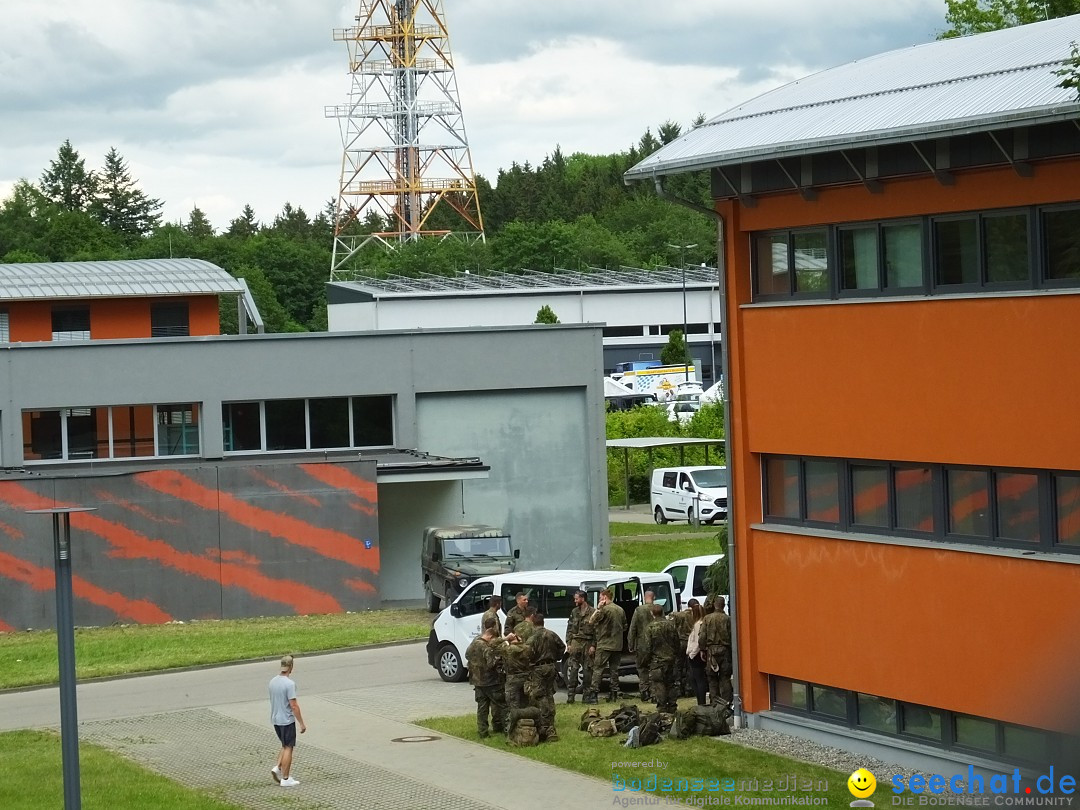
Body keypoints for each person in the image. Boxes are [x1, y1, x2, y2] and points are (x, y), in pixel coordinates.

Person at [524, 612, 566, 741]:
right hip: (551, 666)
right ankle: (551, 723)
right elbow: (562, 646)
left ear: (533, 622)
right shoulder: (551, 634)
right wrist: (556, 657)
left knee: (539, 695)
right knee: (549, 694)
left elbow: (526, 653)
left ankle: (544, 724)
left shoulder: (532, 637)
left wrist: (531, 663)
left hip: (538, 668)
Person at [269, 654, 306, 788]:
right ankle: (285, 778)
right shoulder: (289, 684)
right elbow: (294, 705)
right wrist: (301, 723)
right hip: (286, 720)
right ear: (291, 667)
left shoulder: (273, 681)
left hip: (275, 719)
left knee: (285, 745)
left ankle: (278, 767)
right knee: (289, 747)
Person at [466, 621, 506, 737]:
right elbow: (491, 664)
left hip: (477, 681)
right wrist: (498, 658)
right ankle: (507, 729)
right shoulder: (486, 647)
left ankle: (483, 732)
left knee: (482, 707)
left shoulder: (473, 644)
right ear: (491, 636)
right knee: (502, 705)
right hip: (490, 681)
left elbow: (467, 655)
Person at [586, 587, 626, 703]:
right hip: (617, 645)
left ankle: (594, 695)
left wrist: (598, 608)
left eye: (599, 598)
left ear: (604, 597)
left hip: (604, 644)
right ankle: (614, 694)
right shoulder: (620, 610)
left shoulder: (604, 610)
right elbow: (624, 626)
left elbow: (591, 621)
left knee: (598, 669)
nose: (599, 600)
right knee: (614, 670)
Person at [640, 604, 680, 713]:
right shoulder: (671, 625)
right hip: (671, 660)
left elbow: (647, 647)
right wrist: (675, 655)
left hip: (657, 661)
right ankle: (672, 706)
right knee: (671, 684)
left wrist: (645, 660)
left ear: (652, 613)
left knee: (659, 685)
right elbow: (677, 642)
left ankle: (662, 707)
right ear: (662, 612)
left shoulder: (650, 627)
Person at [701, 595, 733, 707]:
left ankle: (714, 702)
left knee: (712, 678)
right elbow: (732, 635)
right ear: (723, 605)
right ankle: (726, 702)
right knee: (725, 677)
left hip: (711, 651)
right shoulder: (728, 619)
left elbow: (702, 636)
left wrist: (702, 649)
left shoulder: (707, 618)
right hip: (725, 650)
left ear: (714, 605)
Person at [563, 589, 595, 704]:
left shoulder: (593, 612)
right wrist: (569, 643)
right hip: (576, 642)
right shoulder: (574, 612)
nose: (575, 601)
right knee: (573, 670)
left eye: (577, 598)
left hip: (588, 643)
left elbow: (597, 631)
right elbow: (570, 628)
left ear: (583, 598)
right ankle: (570, 696)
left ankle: (586, 696)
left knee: (587, 670)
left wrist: (593, 645)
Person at [627, 590, 655, 702]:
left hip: (642, 644)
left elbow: (632, 628)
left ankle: (644, 691)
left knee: (642, 668)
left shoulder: (639, 610)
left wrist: (631, 644)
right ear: (654, 597)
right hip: (655, 644)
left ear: (644, 597)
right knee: (653, 668)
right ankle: (653, 692)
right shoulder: (658, 609)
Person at [684, 600, 708, 706]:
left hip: (696, 655)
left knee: (698, 679)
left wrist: (692, 653)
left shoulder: (699, 624)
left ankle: (701, 702)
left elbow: (698, 641)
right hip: (694, 653)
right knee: (695, 678)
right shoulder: (698, 623)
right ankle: (700, 701)